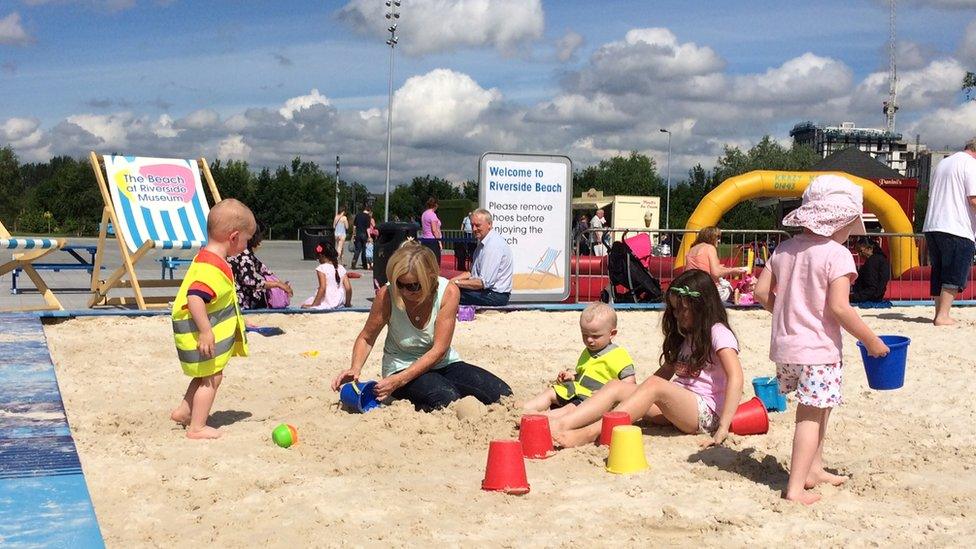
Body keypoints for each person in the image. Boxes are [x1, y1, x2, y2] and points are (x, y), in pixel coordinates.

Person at [754, 174, 889, 505]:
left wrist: (787, 313)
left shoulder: (783, 249)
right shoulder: (837, 254)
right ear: (840, 221)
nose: (851, 234)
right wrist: (872, 340)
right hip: (819, 351)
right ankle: (796, 487)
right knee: (810, 417)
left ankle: (814, 469)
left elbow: (759, 292)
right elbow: (840, 309)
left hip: (786, 348)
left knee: (821, 408)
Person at [550, 268, 744, 448]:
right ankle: (562, 424)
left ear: (702, 306)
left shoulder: (718, 332)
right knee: (615, 386)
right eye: (675, 309)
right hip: (677, 407)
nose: (677, 316)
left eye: (683, 309)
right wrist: (636, 395)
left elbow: (736, 377)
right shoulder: (687, 335)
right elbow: (666, 371)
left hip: (705, 413)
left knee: (654, 385)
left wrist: (724, 427)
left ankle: (590, 433)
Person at [330, 242, 512, 411]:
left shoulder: (448, 291)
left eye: (413, 286)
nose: (404, 291)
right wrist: (356, 368)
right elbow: (367, 337)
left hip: (442, 362)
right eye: (399, 284)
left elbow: (439, 350)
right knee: (447, 398)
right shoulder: (387, 295)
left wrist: (398, 381)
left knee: (502, 394)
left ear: (430, 279)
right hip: (400, 365)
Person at [169, 199, 256, 439]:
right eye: (247, 241)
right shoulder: (213, 267)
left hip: (194, 332)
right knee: (212, 378)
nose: (246, 246)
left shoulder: (205, 257)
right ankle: (197, 427)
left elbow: (218, 300)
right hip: (198, 334)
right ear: (234, 237)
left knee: (203, 372)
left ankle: (184, 412)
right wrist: (206, 330)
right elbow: (196, 296)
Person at [522, 303, 636, 417]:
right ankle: (524, 407)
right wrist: (572, 377)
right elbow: (584, 375)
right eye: (585, 335)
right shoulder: (587, 351)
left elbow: (630, 384)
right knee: (552, 391)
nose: (589, 340)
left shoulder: (619, 355)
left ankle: (541, 417)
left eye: (595, 336)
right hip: (577, 390)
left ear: (612, 334)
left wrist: (607, 394)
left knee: (571, 408)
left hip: (593, 400)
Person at [921, 138, 976, 326]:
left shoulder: (944, 163)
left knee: (939, 271)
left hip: (933, 224)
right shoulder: (971, 165)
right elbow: (974, 199)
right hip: (956, 226)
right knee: (954, 271)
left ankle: (939, 313)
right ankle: (943, 315)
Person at [451, 209, 514, 306]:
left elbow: (483, 283)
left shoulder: (493, 246)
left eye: (478, 225)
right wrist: (450, 281)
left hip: (495, 296)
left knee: (450, 293)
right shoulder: (483, 244)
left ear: (489, 224)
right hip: (488, 292)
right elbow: (471, 273)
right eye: (472, 225)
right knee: (449, 289)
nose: (474, 229)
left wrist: (456, 283)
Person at [228, 228, 293, 310]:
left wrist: (281, 284)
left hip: (239, 295)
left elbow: (263, 270)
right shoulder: (245, 256)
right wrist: (277, 284)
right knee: (267, 296)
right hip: (241, 299)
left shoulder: (245, 253)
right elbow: (249, 281)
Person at [684, 226, 749, 301]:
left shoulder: (692, 249)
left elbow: (702, 266)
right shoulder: (710, 248)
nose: (719, 241)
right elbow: (716, 273)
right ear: (710, 237)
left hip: (692, 288)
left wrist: (726, 268)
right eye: (717, 237)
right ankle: (737, 297)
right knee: (728, 287)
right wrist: (734, 270)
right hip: (707, 291)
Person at [302, 241, 352, 310]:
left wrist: (314, 305)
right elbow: (348, 288)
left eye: (318, 257)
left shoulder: (321, 268)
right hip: (338, 301)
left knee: (305, 304)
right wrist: (347, 303)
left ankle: (317, 304)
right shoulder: (341, 268)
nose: (318, 259)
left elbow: (323, 288)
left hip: (328, 299)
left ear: (322, 256)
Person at [351, 204, 372, 270]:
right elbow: (368, 228)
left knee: (357, 249)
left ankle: (354, 262)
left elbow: (354, 226)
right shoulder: (368, 217)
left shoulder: (358, 215)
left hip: (358, 234)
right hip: (364, 235)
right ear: (369, 210)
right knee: (364, 250)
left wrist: (354, 234)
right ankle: (365, 265)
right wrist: (369, 236)